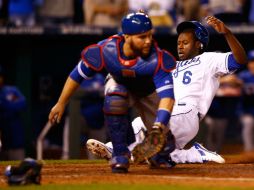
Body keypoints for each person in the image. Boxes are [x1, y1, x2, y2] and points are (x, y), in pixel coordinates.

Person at [86, 16, 247, 167]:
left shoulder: (209, 60)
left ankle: (136, 149)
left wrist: (227, 33)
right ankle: (193, 153)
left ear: (199, 44)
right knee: (143, 128)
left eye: (185, 42)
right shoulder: (172, 65)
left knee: (152, 131)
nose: (180, 46)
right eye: (178, 42)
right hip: (169, 110)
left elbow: (239, 60)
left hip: (187, 113)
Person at [48, 11, 176, 173]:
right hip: (121, 85)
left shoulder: (157, 58)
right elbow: (76, 75)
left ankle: (158, 155)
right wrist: (61, 103)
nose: (148, 41)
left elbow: (168, 97)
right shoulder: (106, 50)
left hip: (148, 91)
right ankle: (120, 153)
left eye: (150, 36)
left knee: (165, 144)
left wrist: (159, 125)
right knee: (114, 99)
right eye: (142, 37)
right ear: (127, 36)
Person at [0, 65, 27, 160]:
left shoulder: (11, 90)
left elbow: (23, 103)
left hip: (17, 142)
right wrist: (11, 104)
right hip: (3, 142)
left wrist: (4, 105)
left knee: (20, 169)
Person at [238, 50, 254, 152]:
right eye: (252, 61)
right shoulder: (243, 76)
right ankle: (249, 152)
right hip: (246, 111)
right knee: (248, 123)